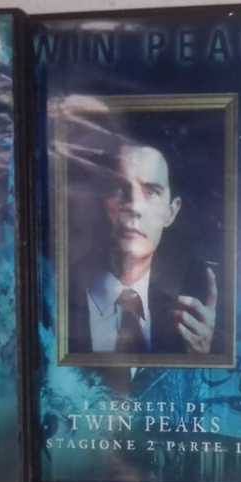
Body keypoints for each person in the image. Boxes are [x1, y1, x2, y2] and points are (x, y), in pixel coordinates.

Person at [67, 137, 218, 358]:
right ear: (99, 199)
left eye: (151, 192)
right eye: (119, 188)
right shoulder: (56, 297)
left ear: (171, 212)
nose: (135, 206)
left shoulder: (188, 323)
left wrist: (199, 361)